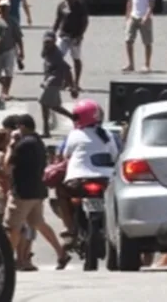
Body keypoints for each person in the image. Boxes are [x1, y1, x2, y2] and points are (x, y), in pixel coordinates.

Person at [5, 113, 69, 270]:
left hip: (22, 193)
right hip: (37, 191)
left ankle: (5, 259)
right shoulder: (38, 142)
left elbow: (7, 166)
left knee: (12, 227)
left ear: (22, 127)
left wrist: (11, 144)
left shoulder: (22, 144)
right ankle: (61, 253)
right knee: (38, 223)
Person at [56, 100, 120, 235]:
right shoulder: (108, 135)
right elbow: (116, 157)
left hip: (77, 181)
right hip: (105, 181)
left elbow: (65, 154)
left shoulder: (74, 134)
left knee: (60, 192)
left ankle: (69, 227)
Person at [53, 0, 90, 95]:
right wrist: (53, 33)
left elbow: (85, 22)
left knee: (76, 59)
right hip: (63, 35)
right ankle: (65, 80)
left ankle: (76, 83)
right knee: (58, 57)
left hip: (75, 37)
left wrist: (80, 35)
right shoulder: (62, 5)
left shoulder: (81, 6)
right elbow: (58, 20)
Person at [39, 31, 74, 137]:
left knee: (44, 103)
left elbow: (67, 69)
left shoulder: (56, 55)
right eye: (45, 42)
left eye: (49, 42)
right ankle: (75, 118)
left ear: (54, 41)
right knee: (54, 106)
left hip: (54, 82)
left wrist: (72, 86)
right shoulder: (47, 51)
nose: (47, 44)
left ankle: (46, 131)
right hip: (50, 81)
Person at [123, 0, 156, 73]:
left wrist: (146, 16)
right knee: (128, 40)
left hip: (145, 17)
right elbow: (130, 1)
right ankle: (130, 64)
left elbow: (151, 4)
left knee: (147, 42)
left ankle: (147, 64)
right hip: (133, 16)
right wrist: (127, 16)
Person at [0, 1, 19, 101]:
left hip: (10, 50)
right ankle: (4, 87)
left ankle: (5, 92)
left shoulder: (13, 21)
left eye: (7, 7)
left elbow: (18, 37)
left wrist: (21, 52)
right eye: (3, 7)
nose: (5, 9)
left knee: (8, 72)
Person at [0, 0, 31, 64]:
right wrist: (28, 16)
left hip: (4, 16)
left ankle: (6, 55)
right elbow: (25, 5)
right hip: (16, 17)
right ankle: (18, 54)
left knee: (5, 36)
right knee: (16, 36)